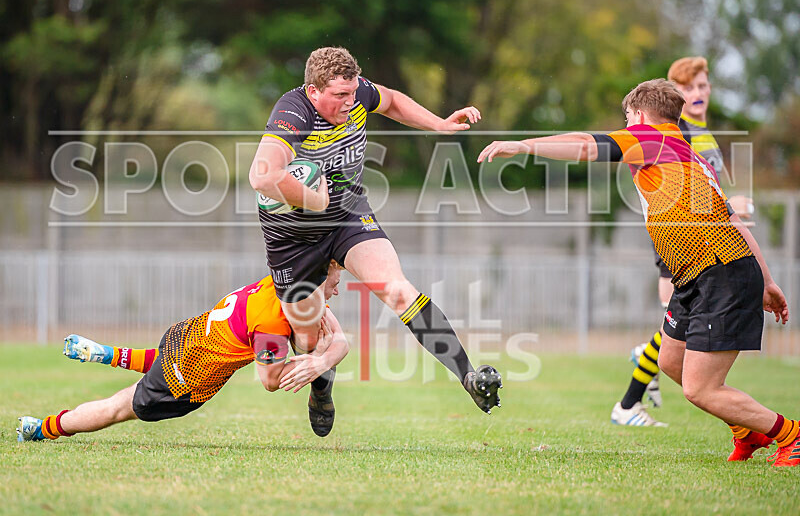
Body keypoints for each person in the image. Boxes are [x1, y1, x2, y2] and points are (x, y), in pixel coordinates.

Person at [478, 78, 798, 466]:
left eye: (627, 118)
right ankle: (746, 431)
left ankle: (789, 434)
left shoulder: (651, 138)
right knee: (669, 361)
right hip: (699, 275)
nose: (626, 127)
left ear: (640, 116)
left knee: (700, 389)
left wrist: (524, 145)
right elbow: (736, 223)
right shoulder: (686, 153)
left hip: (721, 274)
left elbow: (585, 144)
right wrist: (768, 280)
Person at [248, 46, 501, 414]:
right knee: (306, 338)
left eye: (353, 93)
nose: (351, 103)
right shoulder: (293, 112)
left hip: (348, 214)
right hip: (293, 238)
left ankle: (468, 376)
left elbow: (393, 101)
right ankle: (322, 385)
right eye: (340, 96)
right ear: (314, 91)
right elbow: (262, 175)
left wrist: (439, 124)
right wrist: (313, 200)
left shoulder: (357, 93)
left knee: (398, 290)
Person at [17, 263, 349, 442]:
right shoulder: (273, 323)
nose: (338, 286)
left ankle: (107, 353)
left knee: (159, 363)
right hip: (188, 381)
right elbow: (271, 380)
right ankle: (43, 428)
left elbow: (341, 341)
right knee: (117, 407)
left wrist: (321, 359)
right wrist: (313, 362)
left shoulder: (284, 285)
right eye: (336, 276)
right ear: (322, 273)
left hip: (184, 336)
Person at [610, 56, 755, 428]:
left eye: (703, 85)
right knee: (672, 330)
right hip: (685, 245)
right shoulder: (679, 132)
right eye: (689, 87)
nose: (698, 93)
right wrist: (725, 203)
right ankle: (628, 403)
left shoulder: (701, 132)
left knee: (671, 335)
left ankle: (629, 401)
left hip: (710, 239)